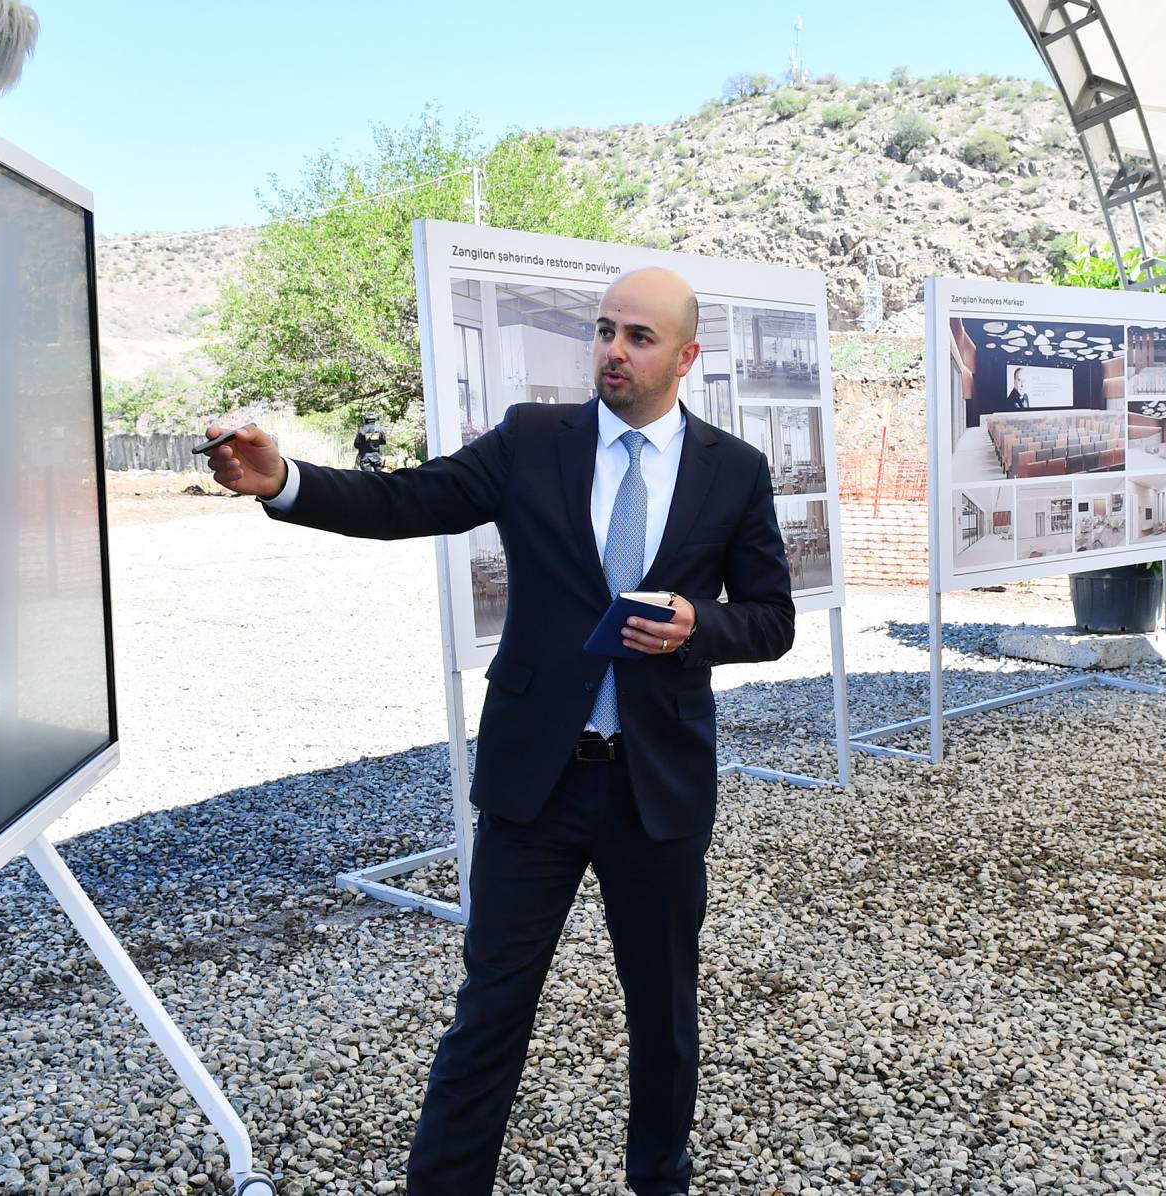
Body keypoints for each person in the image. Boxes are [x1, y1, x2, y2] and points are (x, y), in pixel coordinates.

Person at [205, 266, 794, 1195]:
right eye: (604, 330)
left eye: (638, 337)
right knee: (490, 1011)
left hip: (659, 787)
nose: (613, 350)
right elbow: (408, 502)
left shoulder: (733, 470)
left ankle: (659, 1183)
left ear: (684, 356)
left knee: (665, 1015)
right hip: (536, 782)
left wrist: (696, 626)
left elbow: (770, 619)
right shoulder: (532, 441)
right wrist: (285, 482)